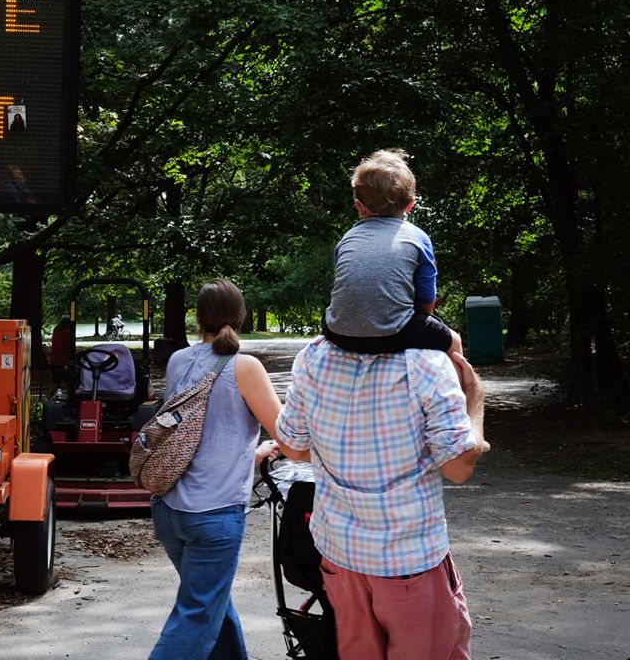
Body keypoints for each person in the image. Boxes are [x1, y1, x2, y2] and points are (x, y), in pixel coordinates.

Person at [275, 335, 489, 659]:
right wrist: (474, 396)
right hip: (408, 562)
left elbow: (293, 446)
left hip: (341, 558)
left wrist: (342, 454)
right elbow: (458, 468)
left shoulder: (314, 357)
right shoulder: (427, 362)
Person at [148, 278, 291, 660]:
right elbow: (290, 438)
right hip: (214, 515)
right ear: (242, 317)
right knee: (197, 613)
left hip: (169, 510)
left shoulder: (179, 359)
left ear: (198, 317)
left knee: (210, 599)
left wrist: (254, 454)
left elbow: (197, 434)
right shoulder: (245, 366)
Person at [322, 149, 464, 357]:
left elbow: (345, 285)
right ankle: (463, 389)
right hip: (394, 334)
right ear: (410, 205)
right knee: (454, 341)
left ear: (358, 206)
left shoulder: (347, 238)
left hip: (339, 334)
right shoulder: (417, 237)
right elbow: (426, 297)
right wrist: (424, 321)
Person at [49, 318, 74, 392]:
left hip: (54, 359)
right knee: (69, 381)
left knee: (56, 381)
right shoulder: (67, 333)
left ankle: (53, 395)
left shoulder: (56, 330)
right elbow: (68, 346)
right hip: (63, 360)